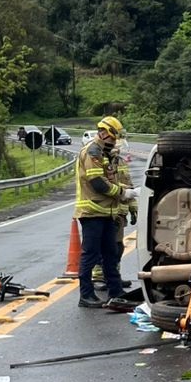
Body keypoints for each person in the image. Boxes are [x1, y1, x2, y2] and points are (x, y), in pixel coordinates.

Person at [74, 115, 135, 308]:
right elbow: (98, 183)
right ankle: (86, 295)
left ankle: (116, 292)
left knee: (110, 254)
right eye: (112, 137)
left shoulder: (106, 153)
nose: (114, 141)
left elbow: (115, 177)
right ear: (103, 133)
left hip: (108, 213)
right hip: (92, 213)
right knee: (90, 255)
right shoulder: (93, 152)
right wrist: (123, 193)